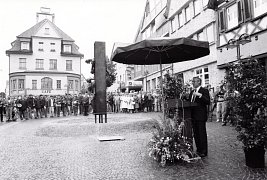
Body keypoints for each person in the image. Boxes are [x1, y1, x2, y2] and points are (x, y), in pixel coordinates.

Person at [189, 77, 210, 157]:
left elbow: (207, 101)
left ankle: (204, 151)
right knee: (196, 134)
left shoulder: (204, 91)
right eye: (192, 81)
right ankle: (198, 150)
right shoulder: (191, 92)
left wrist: (200, 95)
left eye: (194, 81)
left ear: (199, 82)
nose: (193, 83)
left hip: (201, 116)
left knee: (202, 133)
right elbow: (190, 103)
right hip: (193, 116)